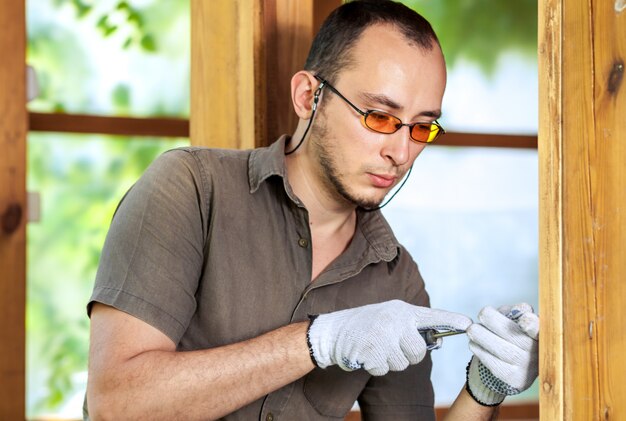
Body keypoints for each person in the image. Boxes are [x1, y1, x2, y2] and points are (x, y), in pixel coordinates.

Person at [85, 1, 539, 420]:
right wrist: (318, 341)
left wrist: (485, 387)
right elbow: (116, 402)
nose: (401, 151)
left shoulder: (396, 281)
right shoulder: (190, 189)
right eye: (379, 117)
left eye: (422, 128)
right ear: (309, 97)